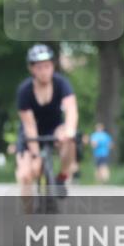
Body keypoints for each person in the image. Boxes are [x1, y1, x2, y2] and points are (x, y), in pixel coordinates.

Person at [15, 44, 78, 199]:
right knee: (26, 174)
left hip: (55, 128)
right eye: (39, 67)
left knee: (70, 140)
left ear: (53, 66)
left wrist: (69, 130)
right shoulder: (24, 90)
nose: (44, 71)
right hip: (31, 132)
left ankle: (62, 177)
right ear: (32, 69)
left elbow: (71, 109)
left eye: (47, 66)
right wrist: (36, 155)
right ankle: (28, 211)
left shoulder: (61, 83)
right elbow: (29, 125)